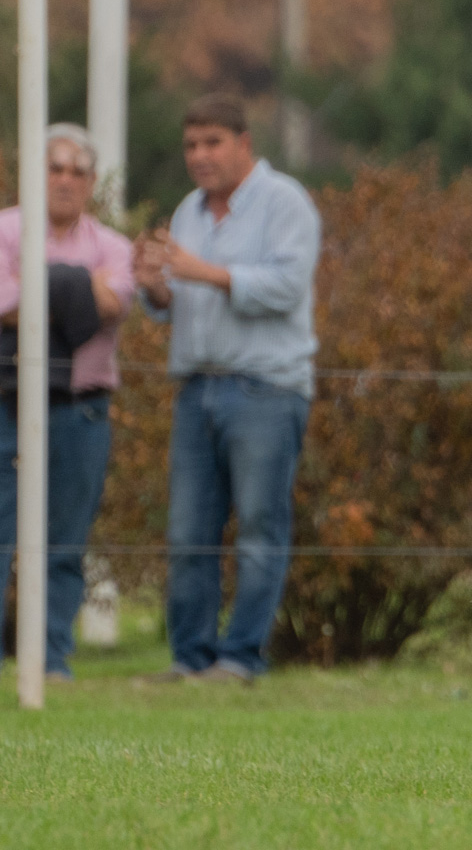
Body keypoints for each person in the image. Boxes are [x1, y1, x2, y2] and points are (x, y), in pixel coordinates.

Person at [132, 94, 320, 685]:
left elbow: (288, 287)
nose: (199, 156)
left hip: (266, 389)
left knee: (261, 529)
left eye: (212, 142)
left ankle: (241, 658)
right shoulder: (188, 211)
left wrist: (202, 272)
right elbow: (179, 300)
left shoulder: (285, 202)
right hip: (197, 389)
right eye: (190, 145)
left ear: (244, 143)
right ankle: (190, 657)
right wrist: (155, 289)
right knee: (188, 532)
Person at [0, 125, 133, 681]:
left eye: (77, 171)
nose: (65, 180)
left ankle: (51, 658)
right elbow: (5, 306)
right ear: (37, 174)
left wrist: (38, 287)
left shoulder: (115, 246)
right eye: (54, 167)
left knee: (64, 542)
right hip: (6, 405)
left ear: (92, 182)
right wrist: (79, 285)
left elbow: (115, 300)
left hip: (81, 409)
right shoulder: (5, 229)